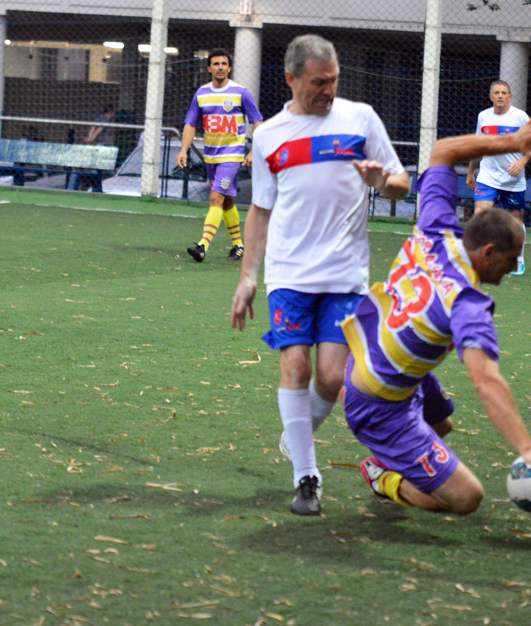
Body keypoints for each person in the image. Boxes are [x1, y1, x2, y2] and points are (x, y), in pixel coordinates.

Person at [341, 112, 531, 516]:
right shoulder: (466, 303)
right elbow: (486, 381)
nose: (513, 266)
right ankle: (383, 475)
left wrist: (511, 142)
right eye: (512, 258)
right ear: (489, 253)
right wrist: (528, 448)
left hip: (377, 358)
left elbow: (443, 150)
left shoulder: (435, 228)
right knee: (467, 498)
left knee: (443, 425)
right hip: (376, 400)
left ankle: (404, 451)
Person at [231, 34, 410, 516]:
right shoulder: (268, 133)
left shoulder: (361, 118)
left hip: (345, 275)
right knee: (296, 366)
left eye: (332, 81)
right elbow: (260, 209)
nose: (327, 91)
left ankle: (298, 435)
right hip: (288, 272)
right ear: (291, 79)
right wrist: (249, 277)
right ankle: (306, 477)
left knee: (331, 378)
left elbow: (401, 182)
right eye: (317, 82)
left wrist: (381, 183)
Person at [177, 49, 263, 263]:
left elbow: (258, 121)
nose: (220, 67)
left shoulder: (240, 92)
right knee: (226, 201)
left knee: (215, 198)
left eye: (224, 63)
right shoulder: (201, 94)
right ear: (209, 68)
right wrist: (183, 150)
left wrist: (253, 151)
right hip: (211, 158)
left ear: (229, 67)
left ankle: (202, 246)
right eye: (215, 64)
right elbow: (190, 124)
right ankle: (239, 246)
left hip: (232, 157)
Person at [466, 81, 531, 276]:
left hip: (512, 180)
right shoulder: (483, 117)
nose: (500, 96)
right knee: (479, 214)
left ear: (510, 97)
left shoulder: (520, 117)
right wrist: (470, 172)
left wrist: (522, 162)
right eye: (496, 93)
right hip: (487, 176)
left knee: (514, 219)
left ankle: (518, 259)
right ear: (491, 96)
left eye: (504, 93)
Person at [84, 103, 117, 192]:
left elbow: (93, 128)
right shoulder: (106, 119)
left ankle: (97, 186)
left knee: (98, 167)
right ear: (110, 112)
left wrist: (89, 137)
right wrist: (92, 138)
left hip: (101, 144)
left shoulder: (100, 118)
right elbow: (99, 128)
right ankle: (102, 187)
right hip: (106, 145)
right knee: (109, 168)